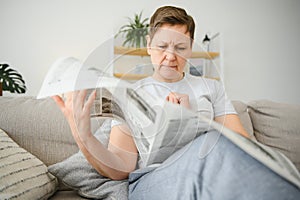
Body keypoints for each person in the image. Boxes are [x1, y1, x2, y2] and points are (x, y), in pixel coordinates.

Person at [52, 5, 300, 199]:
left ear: (191, 48)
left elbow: (242, 145)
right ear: (149, 46)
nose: (170, 56)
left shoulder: (210, 88)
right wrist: (84, 136)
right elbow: (120, 168)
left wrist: (191, 124)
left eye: (180, 47)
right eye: (162, 46)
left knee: (228, 154)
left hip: (209, 167)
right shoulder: (133, 93)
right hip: (153, 179)